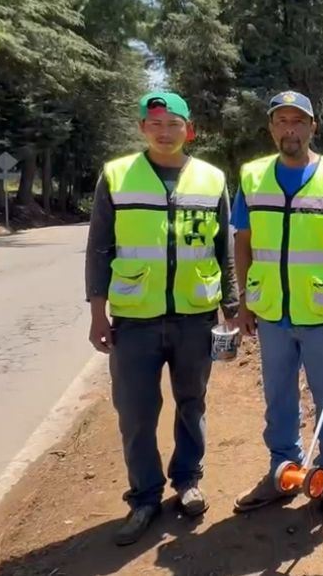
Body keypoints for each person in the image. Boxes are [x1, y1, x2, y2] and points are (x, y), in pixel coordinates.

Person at [86, 91, 234, 546]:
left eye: (174, 123)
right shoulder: (117, 176)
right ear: (142, 129)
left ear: (189, 130)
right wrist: (97, 312)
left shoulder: (211, 179)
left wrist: (230, 307)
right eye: (156, 124)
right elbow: (99, 247)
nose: (165, 131)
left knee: (192, 403)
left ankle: (188, 481)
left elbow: (222, 249)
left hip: (195, 316)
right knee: (135, 412)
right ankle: (145, 497)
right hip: (135, 319)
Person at [229, 90, 323, 529]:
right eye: (282, 121)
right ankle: (281, 473)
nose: (290, 129)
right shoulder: (251, 178)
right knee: (279, 398)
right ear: (271, 128)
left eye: (298, 121)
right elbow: (243, 242)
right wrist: (245, 300)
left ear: (312, 128)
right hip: (271, 314)